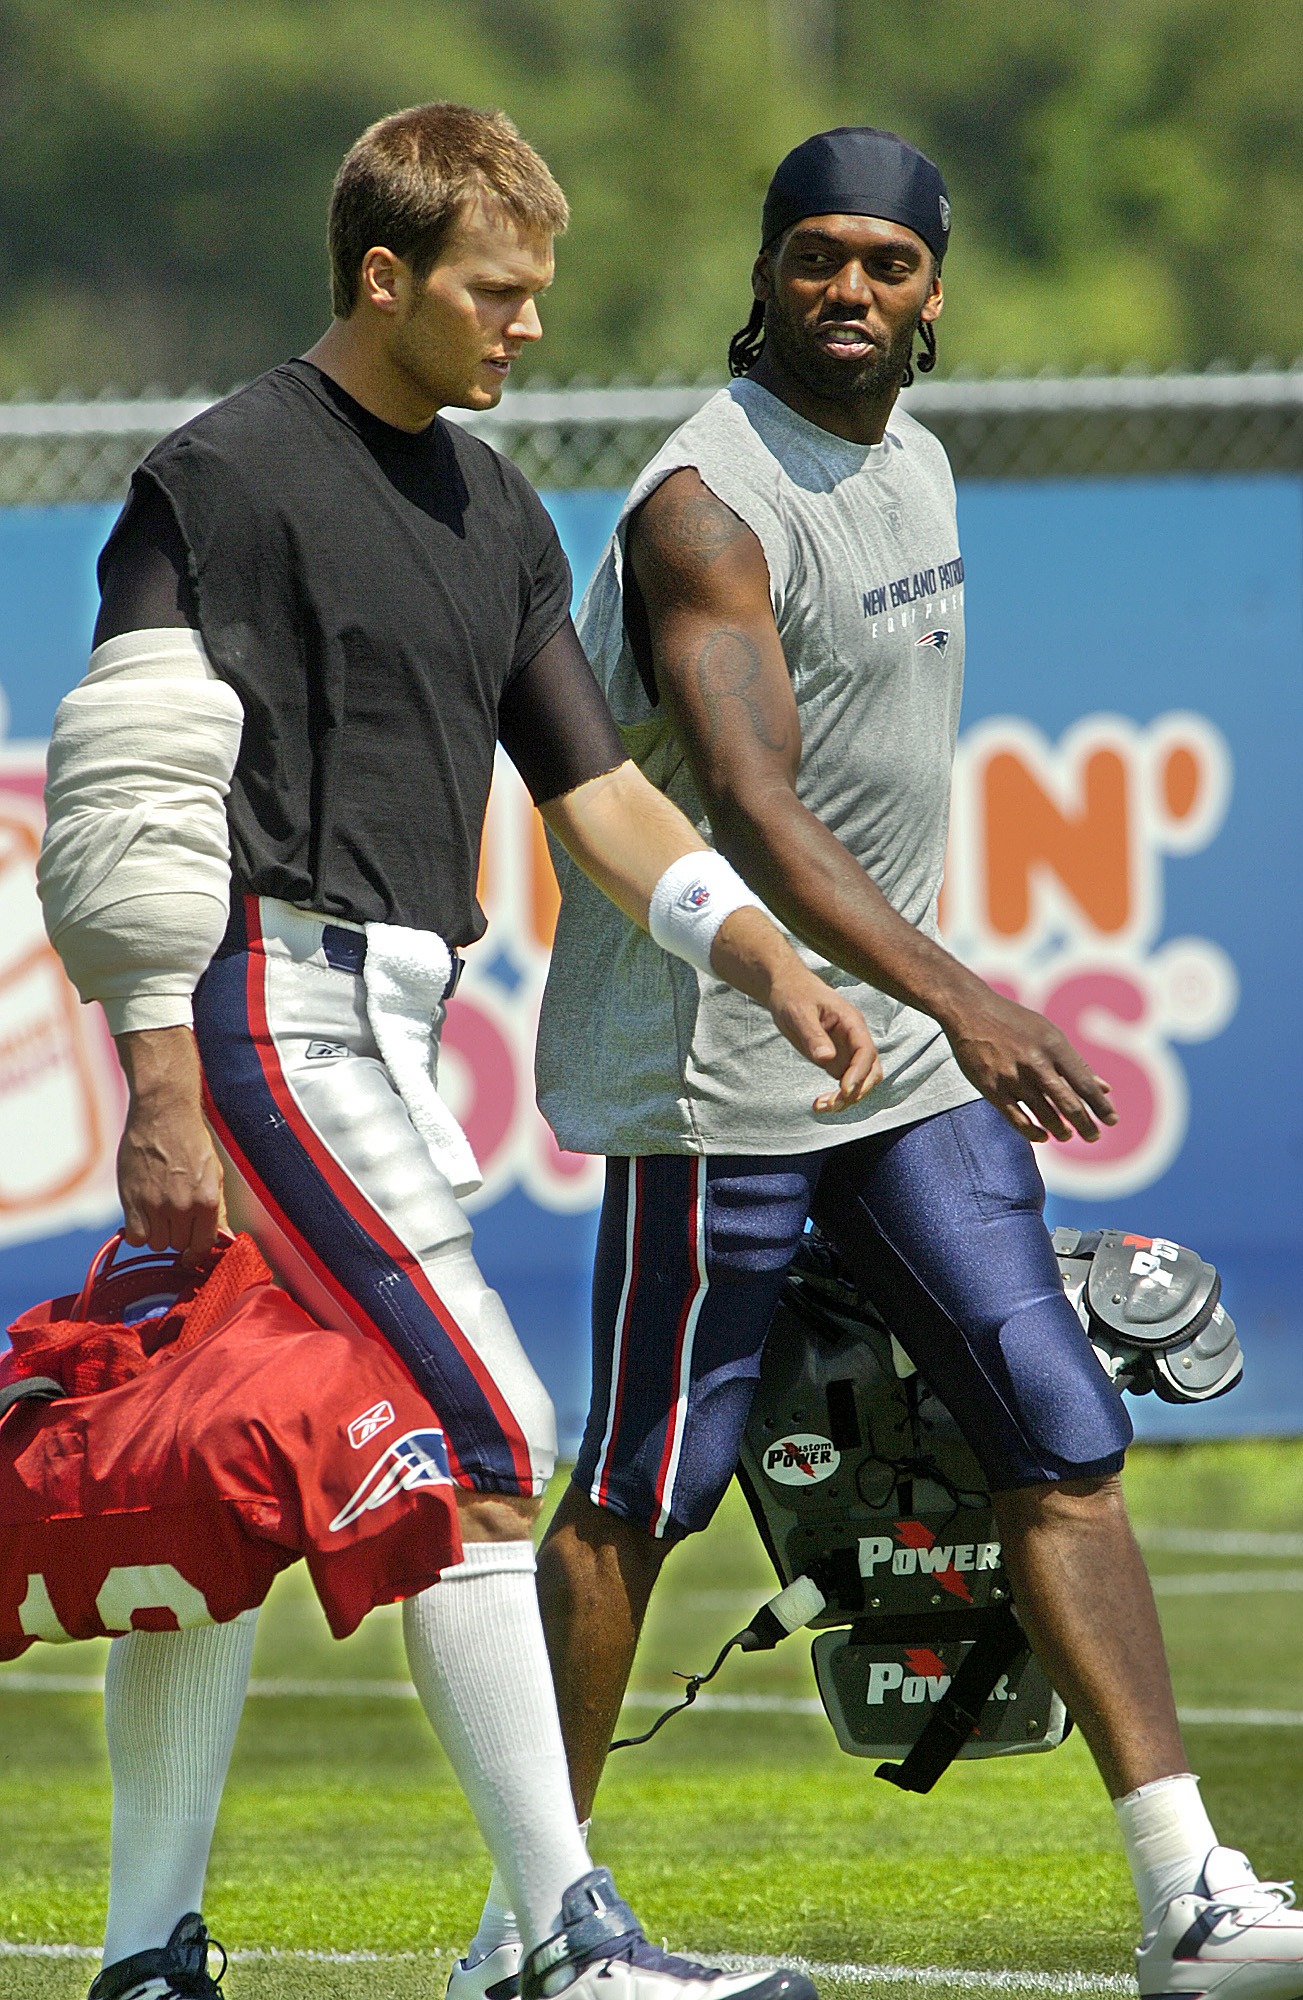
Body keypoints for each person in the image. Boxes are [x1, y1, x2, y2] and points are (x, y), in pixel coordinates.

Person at [36, 104, 879, 2000]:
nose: (528, 328)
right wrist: (158, 1081)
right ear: (384, 275)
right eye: (498, 292)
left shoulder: (499, 508)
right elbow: (128, 795)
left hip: (389, 1019)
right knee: (497, 1442)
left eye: (538, 293)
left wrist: (760, 954)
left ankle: (145, 1956)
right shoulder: (222, 472)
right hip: (265, 997)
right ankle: (562, 1948)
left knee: (213, 1473)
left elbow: (597, 798)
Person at [456, 128, 1303, 2000]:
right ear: (763, 271)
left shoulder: (913, 455)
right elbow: (752, 813)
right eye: (817, 259)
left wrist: (938, 1013)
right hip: (723, 1066)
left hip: (901, 1060)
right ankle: (534, 1928)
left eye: (889, 266)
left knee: (1055, 1421)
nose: (851, 292)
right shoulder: (707, 500)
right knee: (648, 1486)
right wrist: (979, 997)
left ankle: (1190, 1890)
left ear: (935, 287)